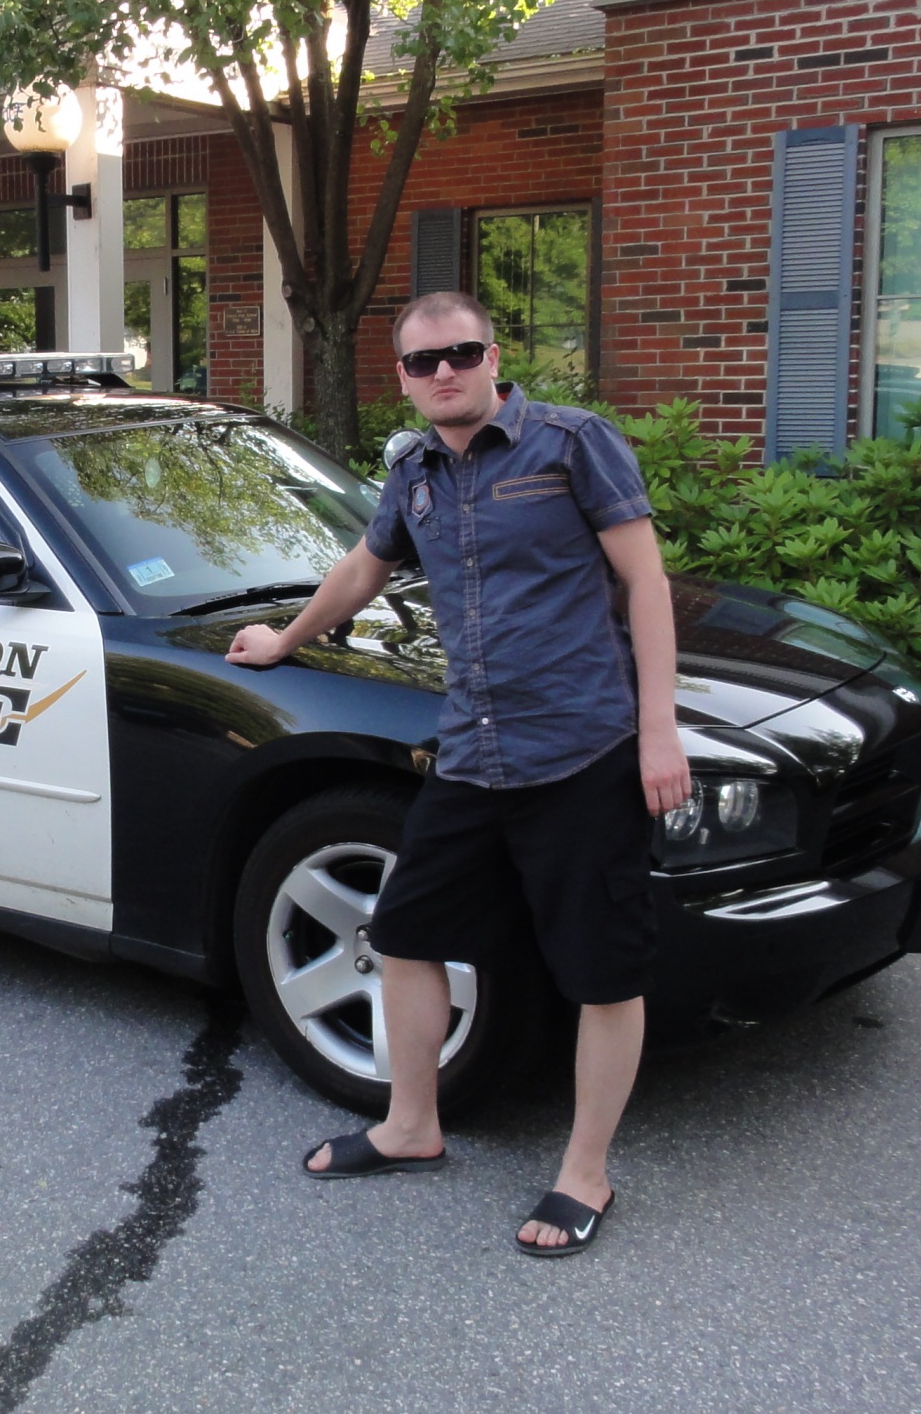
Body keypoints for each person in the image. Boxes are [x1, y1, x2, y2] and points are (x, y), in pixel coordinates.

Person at [227, 292, 692, 1257]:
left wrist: (660, 733)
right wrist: (283, 640)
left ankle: (586, 1172)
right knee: (404, 933)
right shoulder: (414, 471)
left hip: (581, 750)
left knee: (601, 972)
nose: (444, 371)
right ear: (402, 377)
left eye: (462, 353)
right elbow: (362, 570)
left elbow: (645, 581)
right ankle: (411, 1126)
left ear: (493, 358)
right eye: (423, 361)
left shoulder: (572, 444)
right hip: (474, 751)